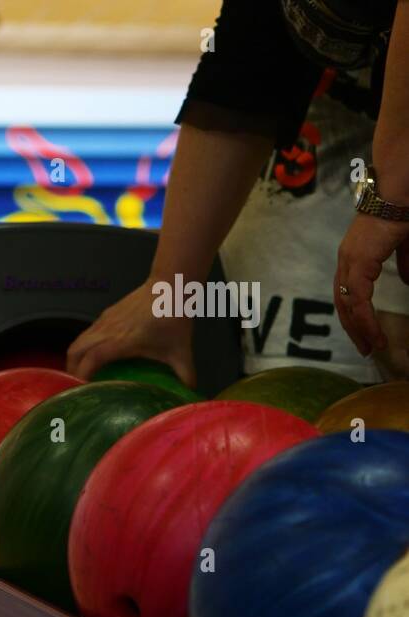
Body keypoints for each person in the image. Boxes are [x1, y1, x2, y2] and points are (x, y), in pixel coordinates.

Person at [67, 0, 409, 386]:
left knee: (395, 346)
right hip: (353, 133)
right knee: (362, 358)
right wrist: (170, 290)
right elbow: (250, 58)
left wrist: (389, 204)